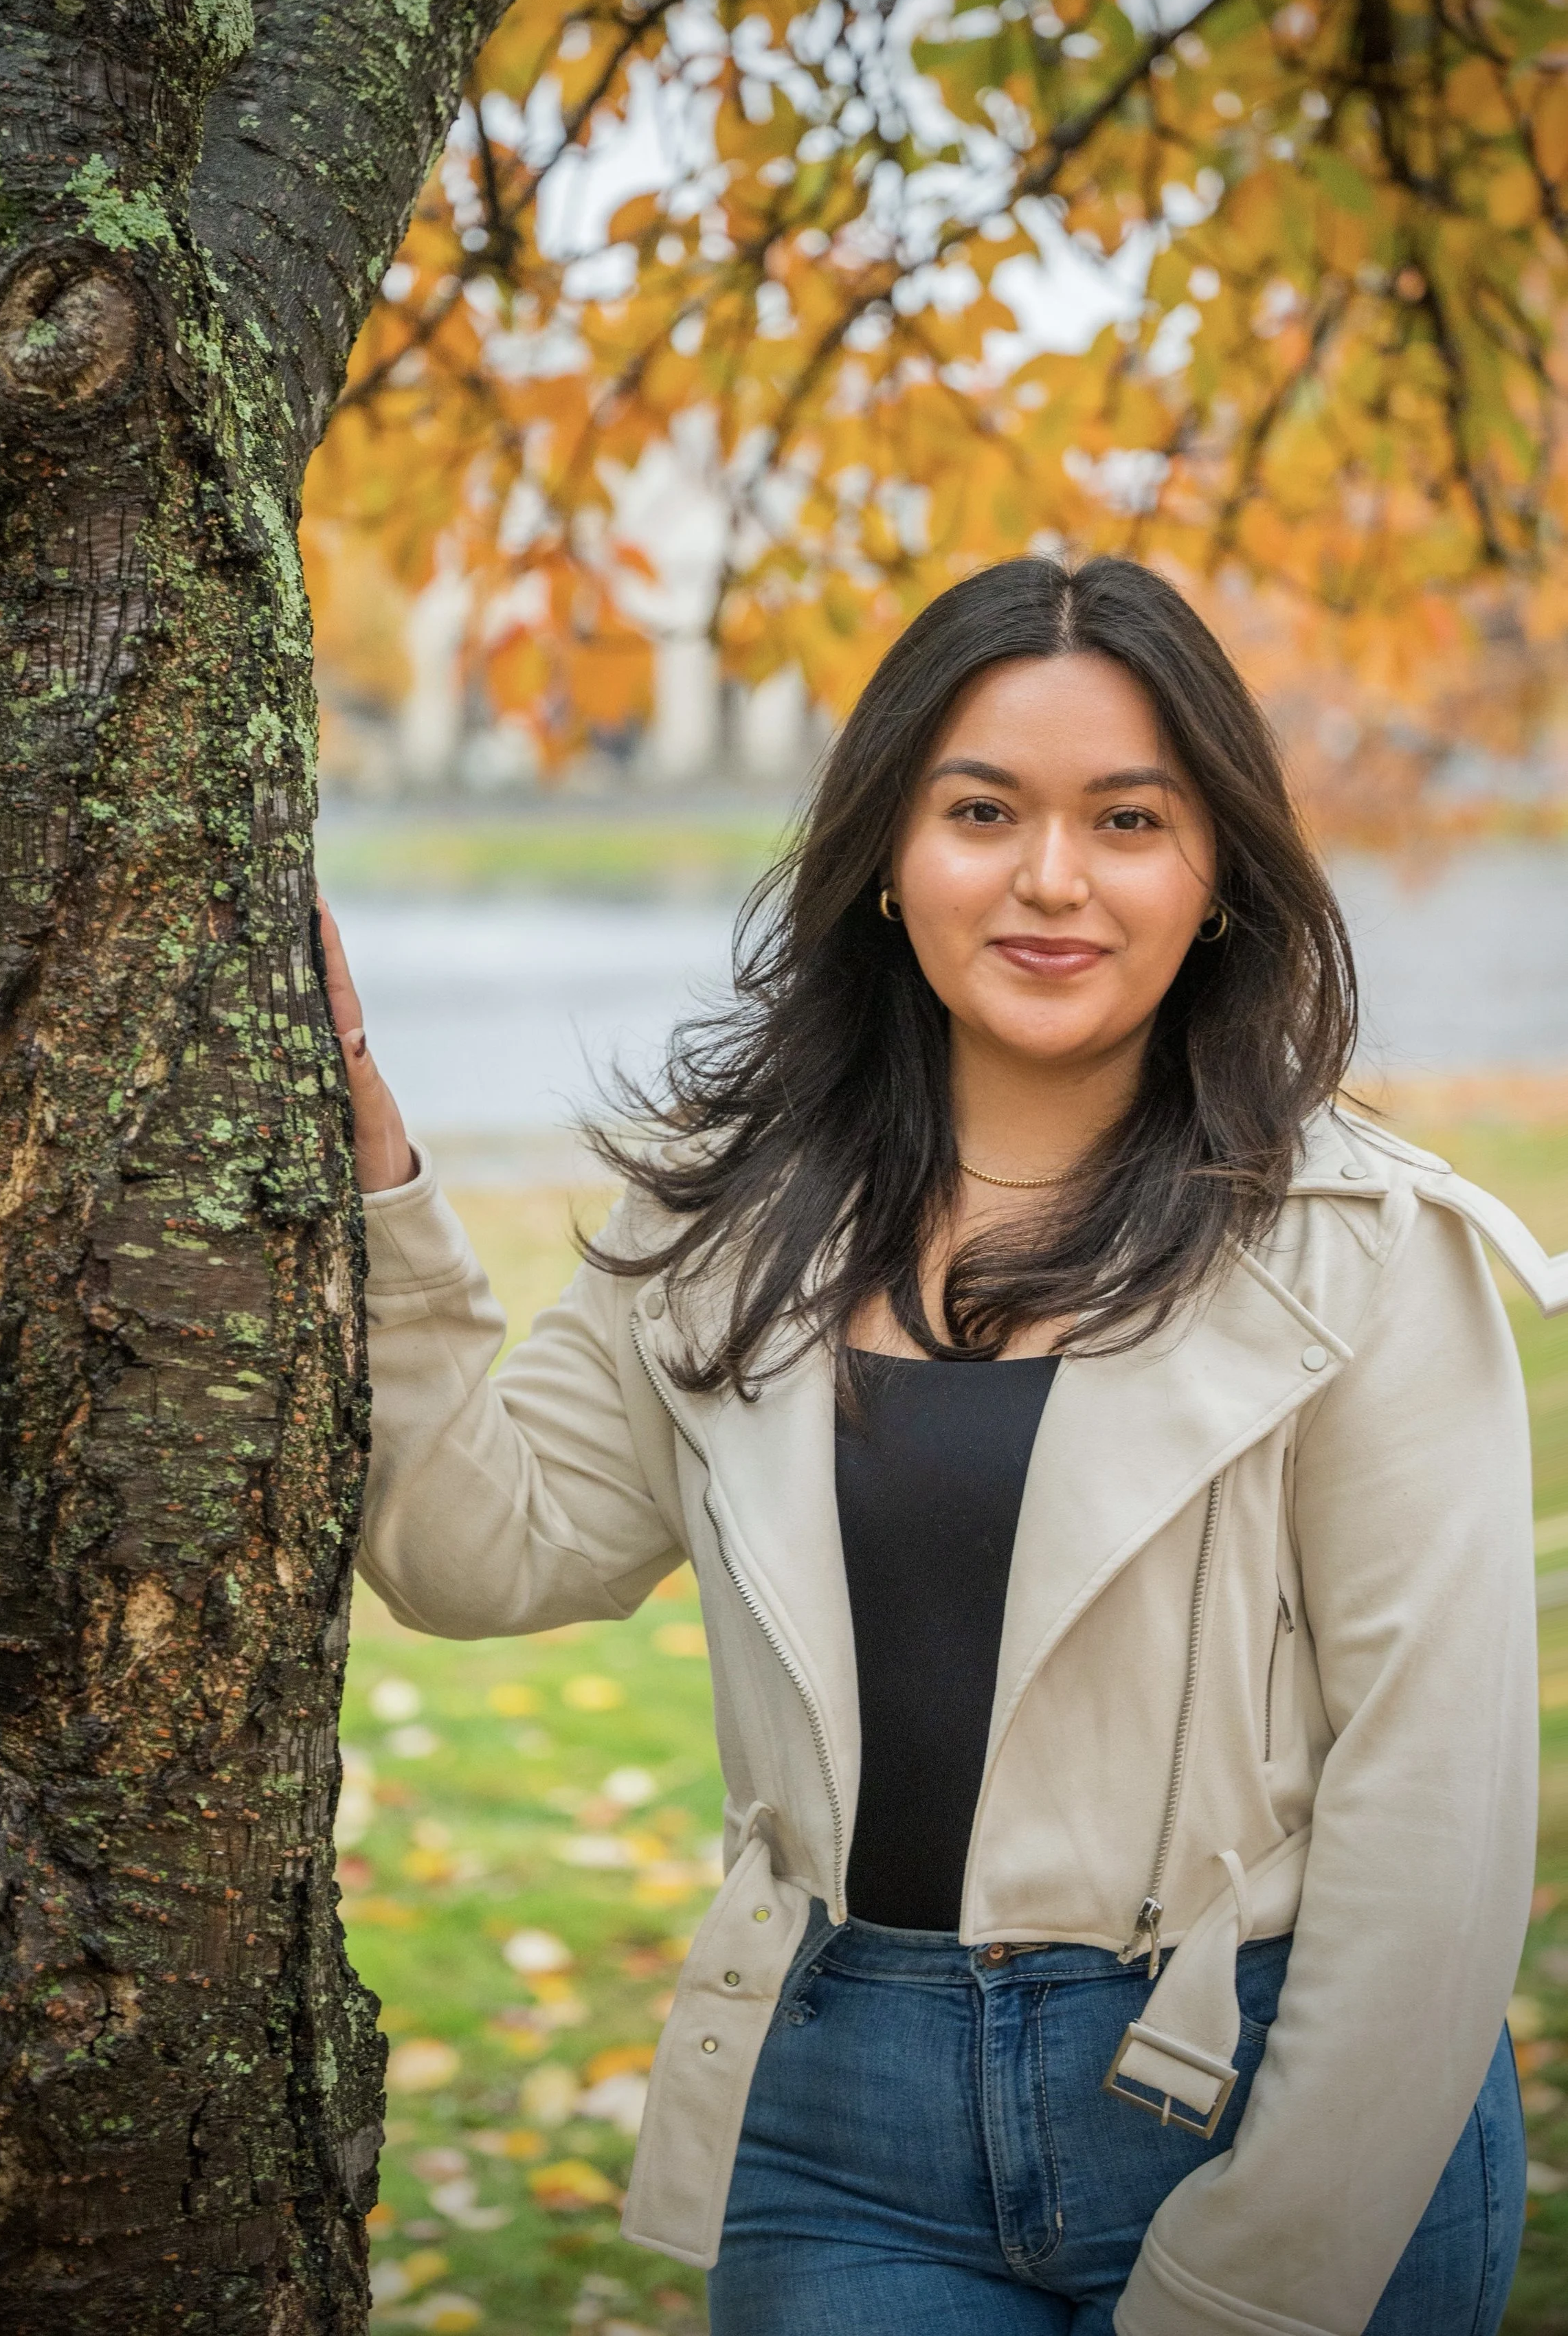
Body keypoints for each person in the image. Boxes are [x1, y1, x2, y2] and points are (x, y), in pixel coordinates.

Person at [320, 554, 1564, 2336]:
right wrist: (378, 1188)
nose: (1049, 875)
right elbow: (473, 1544)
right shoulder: (731, 1226)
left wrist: (1256, 2280)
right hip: (845, 2114)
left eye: (1126, 817)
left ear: (1213, 869)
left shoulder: (1361, 1244)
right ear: (884, 855)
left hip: (1275, 2092)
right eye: (980, 809)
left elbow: (1433, 1831)